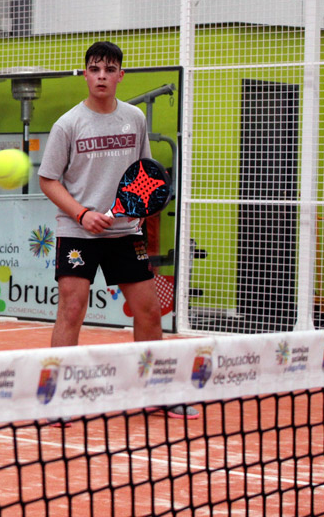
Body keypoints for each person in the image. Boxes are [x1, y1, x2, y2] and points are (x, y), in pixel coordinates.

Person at [37, 41, 198, 420]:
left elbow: (145, 171)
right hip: (79, 233)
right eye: (95, 69)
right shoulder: (68, 124)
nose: (102, 76)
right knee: (71, 309)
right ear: (86, 74)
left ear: (120, 75)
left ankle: (155, 391)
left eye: (109, 70)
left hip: (126, 232)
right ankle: (56, 397)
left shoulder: (134, 119)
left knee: (149, 311)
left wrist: (139, 210)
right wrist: (82, 214)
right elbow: (48, 180)